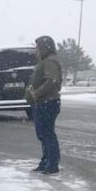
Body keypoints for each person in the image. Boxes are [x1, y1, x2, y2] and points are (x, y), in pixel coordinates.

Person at [26, 35, 63, 174]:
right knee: (42, 134)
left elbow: (51, 81)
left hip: (48, 102)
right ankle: (46, 161)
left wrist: (36, 93)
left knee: (47, 134)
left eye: (38, 48)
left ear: (44, 47)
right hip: (43, 102)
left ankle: (52, 163)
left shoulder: (50, 61)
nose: (36, 51)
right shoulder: (45, 60)